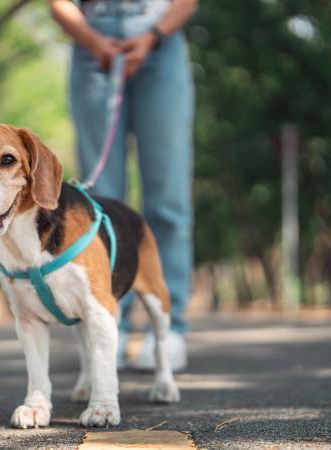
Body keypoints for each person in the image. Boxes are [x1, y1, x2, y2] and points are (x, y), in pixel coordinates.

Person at [50, 0, 197, 370]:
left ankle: (169, 328)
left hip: (161, 43)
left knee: (168, 197)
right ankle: (108, 324)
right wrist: (93, 40)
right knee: (100, 203)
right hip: (92, 46)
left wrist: (152, 35)